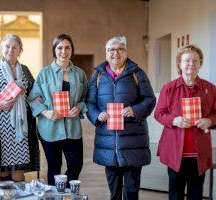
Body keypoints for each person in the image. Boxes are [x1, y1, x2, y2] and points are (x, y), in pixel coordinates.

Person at [86, 36, 156, 200]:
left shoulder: (137, 73)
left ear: (126, 52)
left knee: (131, 191)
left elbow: (150, 99)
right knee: (114, 191)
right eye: (111, 49)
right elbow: (89, 103)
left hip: (133, 141)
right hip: (109, 142)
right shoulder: (98, 75)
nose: (115, 53)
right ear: (106, 53)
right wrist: (97, 115)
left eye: (120, 49)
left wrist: (135, 110)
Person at [154, 45, 216, 200]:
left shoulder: (210, 88)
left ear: (200, 64)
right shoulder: (169, 88)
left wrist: (210, 120)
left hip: (199, 153)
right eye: (187, 60)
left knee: (196, 193)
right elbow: (159, 114)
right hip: (175, 152)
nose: (191, 64)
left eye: (196, 60)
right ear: (179, 64)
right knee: (175, 193)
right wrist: (174, 120)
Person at [0, 34, 39, 182]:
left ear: (20, 50)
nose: (10, 50)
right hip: (0, 131)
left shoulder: (25, 70)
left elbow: (35, 93)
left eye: (14, 47)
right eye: (7, 46)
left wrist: (29, 93)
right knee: (3, 173)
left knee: (18, 172)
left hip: (21, 129)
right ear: (1, 49)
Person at [28, 34, 88, 185]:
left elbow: (86, 98)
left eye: (67, 47)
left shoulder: (80, 74)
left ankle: (65, 193)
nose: (64, 51)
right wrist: (46, 112)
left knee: (76, 165)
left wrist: (79, 107)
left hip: (72, 128)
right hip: (49, 128)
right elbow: (33, 98)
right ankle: (55, 196)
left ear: (72, 50)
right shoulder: (44, 73)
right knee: (54, 167)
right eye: (60, 47)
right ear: (54, 50)